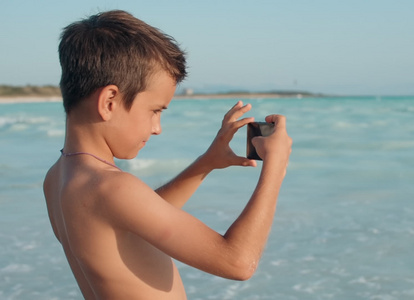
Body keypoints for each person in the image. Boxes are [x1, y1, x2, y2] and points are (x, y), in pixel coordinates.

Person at [43, 10, 292, 299]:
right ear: (109, 101)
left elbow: (135, 222)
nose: (157, 128)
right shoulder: (112, 187)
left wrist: (206, 163)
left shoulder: (58, 177)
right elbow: (238, 262)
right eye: (155, 110)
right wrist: (275, 168)